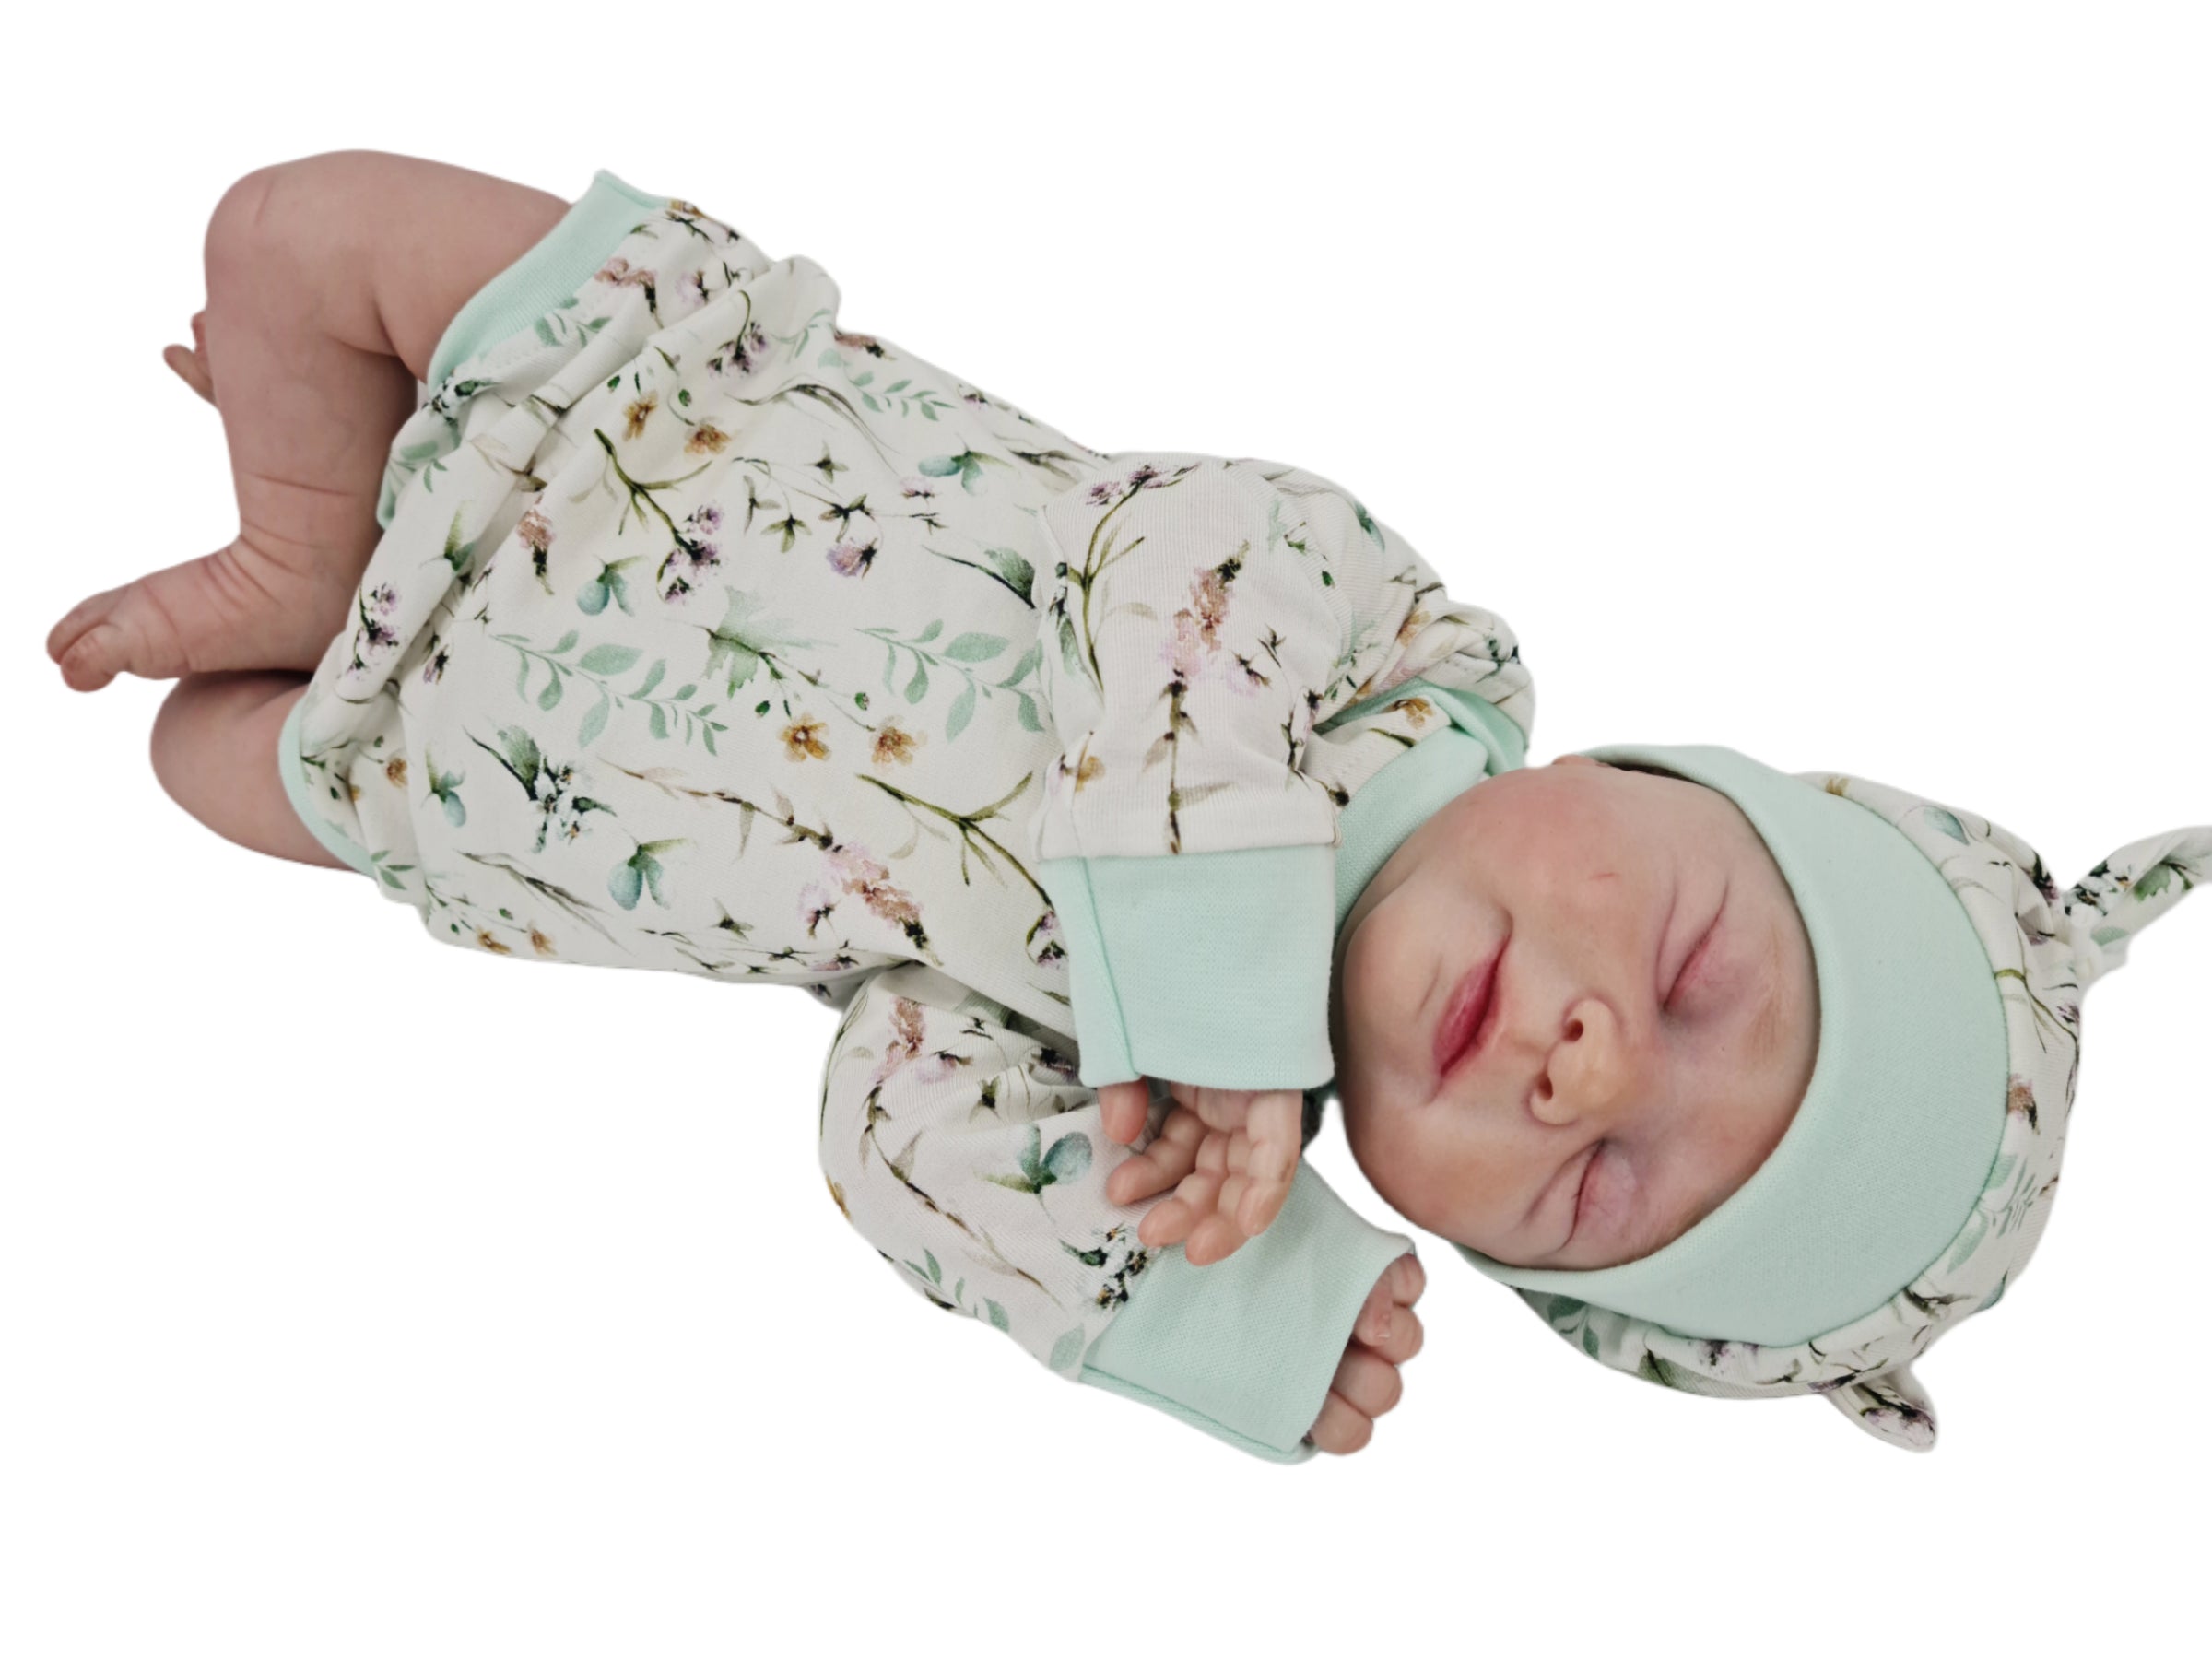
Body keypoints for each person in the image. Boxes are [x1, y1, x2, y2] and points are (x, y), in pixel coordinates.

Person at [51, 152, 2206, 1461]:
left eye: (1598, 1187)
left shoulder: (1156, 1114)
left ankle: (317, 516)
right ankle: (308, 513)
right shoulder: (1404, 661)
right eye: (1694, 967)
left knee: (192, 767)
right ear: (1645, 779)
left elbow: (887, 1126)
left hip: (467, 775)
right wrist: (1221, 1000)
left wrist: (1205, 1283)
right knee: (300, 222)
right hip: (644, 398)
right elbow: (1176, 556)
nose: (1590, 1066)